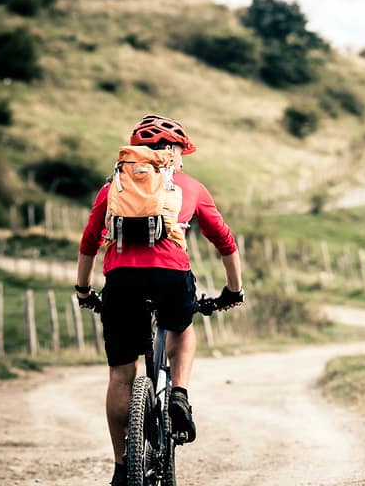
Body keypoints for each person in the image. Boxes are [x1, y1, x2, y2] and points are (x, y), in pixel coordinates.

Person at [74, 114, 243, 486]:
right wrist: (233, 290)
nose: (182, 158)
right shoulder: (189, 186)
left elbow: (89, 241)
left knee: (121, 375)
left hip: (121, 281)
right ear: (169, 149)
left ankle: (122, 467)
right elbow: (224, 240)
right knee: (181, 326)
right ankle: (179, 394)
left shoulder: (114, 186)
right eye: (181, 150)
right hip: (171, 275)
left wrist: (84, 290)